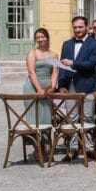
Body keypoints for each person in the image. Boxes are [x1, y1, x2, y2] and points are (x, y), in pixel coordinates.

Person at [57, 16, 96, 161]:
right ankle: (73, 149)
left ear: (87, 27)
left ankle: (89, 149)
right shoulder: (67, 44)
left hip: (87, 84)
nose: (77, 30)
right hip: (70, 85)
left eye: (80, 27)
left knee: (88, 117)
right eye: (75, 27)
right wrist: (62, 85)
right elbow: (62, 67)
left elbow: (91, 64)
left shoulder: (95, 44)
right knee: (71, 118)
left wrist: (73, 63)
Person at [23, 28, 57, 158]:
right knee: (34, 118)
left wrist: (53, 86)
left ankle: (45, 147)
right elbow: (31, 72)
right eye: (38, 37)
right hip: (33, 87)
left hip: (48, 87)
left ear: (47, 37)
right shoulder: (33, 53)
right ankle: (37, 148)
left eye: (43, 37)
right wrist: (39, 89)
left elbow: (55, 72)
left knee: (45, 118)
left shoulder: (53, 55)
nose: (41, 39)